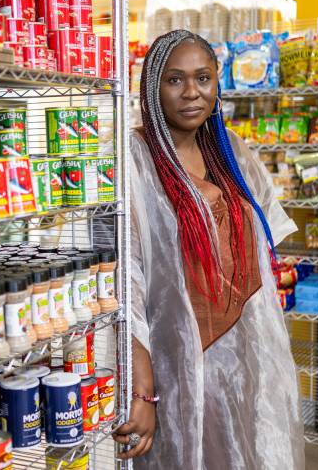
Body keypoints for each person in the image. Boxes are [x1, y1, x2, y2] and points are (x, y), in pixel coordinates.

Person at [113, 29, 305, 469]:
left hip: (243, 350)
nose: (192, 92)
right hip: (173, 355)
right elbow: (127, 281)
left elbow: (260, 249)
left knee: (241, 448)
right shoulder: (133, 160)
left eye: (203, 78)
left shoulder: (232, 151)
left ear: (218, 83)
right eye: (175, 80)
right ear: (152, 87)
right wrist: (143, 390)